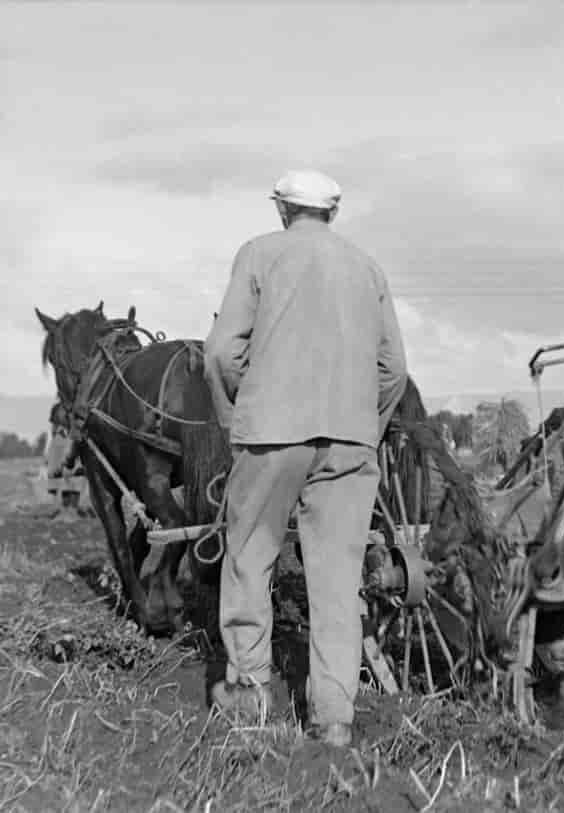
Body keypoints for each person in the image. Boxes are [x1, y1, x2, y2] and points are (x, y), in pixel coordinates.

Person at [203, 169, 409, 747]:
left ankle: (249, 696)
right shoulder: (368, 268)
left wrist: (240, 413)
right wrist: (364, 424)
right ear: (333, 214)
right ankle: (334, 717)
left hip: (270, 433)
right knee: (338, 577)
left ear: (282, 210)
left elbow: (221, 352)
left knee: (248, 557)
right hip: (349, 437)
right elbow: (394, 370)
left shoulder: (259, 254)